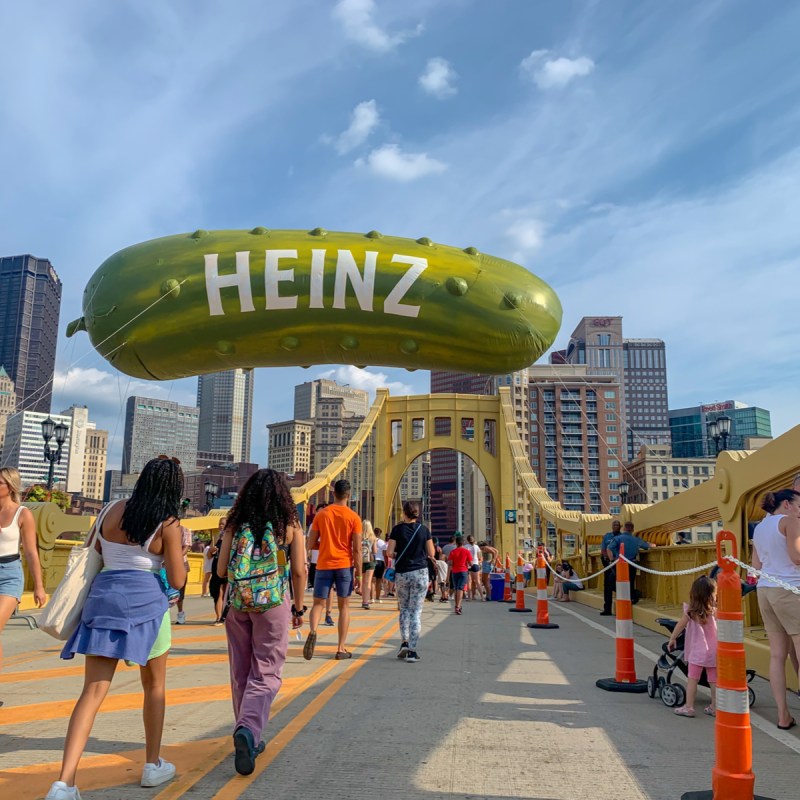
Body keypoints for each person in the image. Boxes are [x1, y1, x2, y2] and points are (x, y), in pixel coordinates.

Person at [46, 456, 186, 800]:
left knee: (91, 693)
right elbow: (179, 580)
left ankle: (64, 784)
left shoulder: (109, 510)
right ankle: (152, 765)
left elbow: (96, 554)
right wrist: (178, 549)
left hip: (104, 600)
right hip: (147, 607)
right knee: (154, 686)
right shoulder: (167, 523)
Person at [215, 469, 307, 775]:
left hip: (239, 602)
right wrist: (299, 607)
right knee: (266, 672)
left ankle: (246, 730)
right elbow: (299, 571)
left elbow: (221, 572)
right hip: (273, 602)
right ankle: (249, 732)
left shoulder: (234, 521)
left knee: (241, 671)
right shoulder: (289, 525)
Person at [751, 489, 800, 730]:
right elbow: (796, 557)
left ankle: (783, 716)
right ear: (787, 505)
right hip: (790, 590)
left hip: (766, 591)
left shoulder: (760, 527)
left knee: (777, 656)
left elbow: (756, 565)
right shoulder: (790, 521)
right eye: (799, 505)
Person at [0, 468, 47, 707]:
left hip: (9, 574)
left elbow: (31, 551)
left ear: (10, 487)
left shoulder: (22, 513)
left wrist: (39, 586)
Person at [303, 479, 362, 661]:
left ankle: (313, 631)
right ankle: (340, 648)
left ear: (333, 493)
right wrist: (359, 573)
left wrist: (314, 552)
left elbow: (310, 543)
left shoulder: (322, 515)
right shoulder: (354, 518)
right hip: (344, 565)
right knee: (344, 607)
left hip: (323, 565)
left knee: (318, 604)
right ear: (348, 495)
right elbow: (357, 549)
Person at [386, 501, 434, 662]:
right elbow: (432, 552)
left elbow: (389, 552)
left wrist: (398, 555)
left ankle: (404, 643)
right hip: (420, 573)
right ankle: (412, 651)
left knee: (404, 609)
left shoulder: (397, 530)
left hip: (402, 574)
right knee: (416, 612)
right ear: (417, 514)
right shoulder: (424, 530)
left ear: (404, 513)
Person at [668, 575, 718, 718]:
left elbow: (680, 625)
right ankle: (715, 707)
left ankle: (689, 707)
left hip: (697, 651)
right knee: (713, 680)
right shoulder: (714, 611)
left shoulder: (690, 611)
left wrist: (672, 638)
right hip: (714, 650)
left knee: (692, 679)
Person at [606, 521, 653, 605]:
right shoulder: (636, 540)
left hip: (619, 564)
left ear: (623, 528)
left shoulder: (618, 538)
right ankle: (632, 597)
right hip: (632, 564)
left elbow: (609, 549)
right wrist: (653, 545)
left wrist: (612, 560)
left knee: (613, 582)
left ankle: (629, 597)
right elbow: (648, 546)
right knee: (630, 582)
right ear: (633, 529)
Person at [208, 524, 229, 626]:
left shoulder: (230, 537)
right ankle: (219, 617)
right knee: (217, 594)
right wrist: (211, 551)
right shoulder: (216, 538)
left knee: (223, 593)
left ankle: (221, 617)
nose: (221, 526)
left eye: (223, 524)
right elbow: (209, 556)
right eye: (220, 524)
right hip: (216, 567)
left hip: (226, 568)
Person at [599, 520, 621, 616]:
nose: (616, 526)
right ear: (612, 526)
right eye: (614, 524)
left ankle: (620, 608)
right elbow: (603, 549)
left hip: (619, 563)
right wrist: (607, 560)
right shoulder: (607, 536)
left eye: (617, 525)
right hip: (608, 563)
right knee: (607, 586)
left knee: (618, 585)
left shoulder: (622, 537)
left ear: (620, 526)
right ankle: (607, 609)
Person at [447, 535, 473, 616]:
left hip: (454, 572)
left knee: (456, 588)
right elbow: (471, 563)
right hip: (463, 571)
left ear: (456, 543)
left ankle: (456, 605)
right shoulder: (466, 551)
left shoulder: (452, 552)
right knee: (460, 589)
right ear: (463, 542)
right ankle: (458, 607)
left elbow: (450, 563)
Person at [174, 524, 192, 624]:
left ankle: (180, 613)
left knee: (179, 590)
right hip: (163, 563)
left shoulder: (185, 530)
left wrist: (173, 558)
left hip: (180, 563)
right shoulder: (162, 528)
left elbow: (186, 547)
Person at [359, 520, 378, 609]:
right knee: (368, 582)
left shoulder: (359, 536)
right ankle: (366, 602)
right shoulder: (373, 538)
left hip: (361, 561)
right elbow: (374, 551)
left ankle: (363, 600)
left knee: (363, 581)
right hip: (370, 561)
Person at [465, 535, 482, 600]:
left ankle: (469, 597)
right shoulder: (476, 546)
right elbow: (479, 557)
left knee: (469, 582)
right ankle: (482, 597)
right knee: (477, 581)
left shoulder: (466, 547)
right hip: (475, 564)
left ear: (468, 540)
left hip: (468, 564)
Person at [373, 528, 387, 603]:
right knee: (378, 580)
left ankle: (371, 597)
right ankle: (377, 598)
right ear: (380, 534)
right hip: (380, 561)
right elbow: (385, 554)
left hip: (372, 560)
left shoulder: (370, 540)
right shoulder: (382, 542)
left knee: (372, 581)